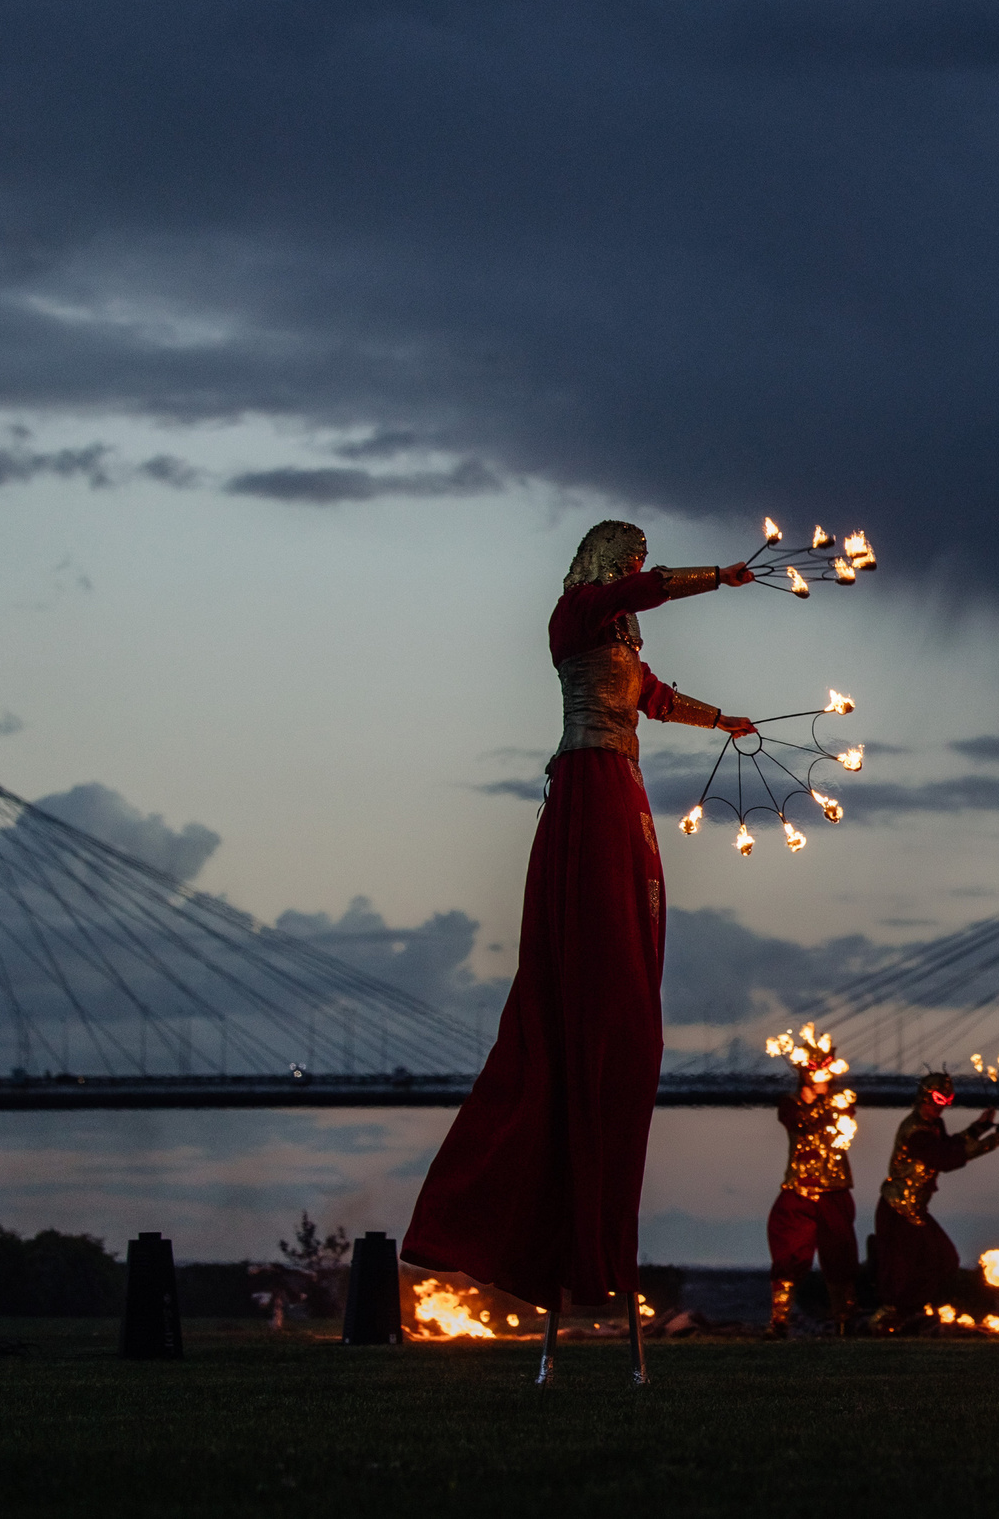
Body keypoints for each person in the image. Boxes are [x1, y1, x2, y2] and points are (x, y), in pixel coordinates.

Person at [403, 520, 754, 1385]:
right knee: (590, 988)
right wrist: (720, 576)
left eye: (642, 558)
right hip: (589, 795)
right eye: (630, 555)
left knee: (631, 1001)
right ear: (608, 561)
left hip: (624, 797)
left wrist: (728, 722)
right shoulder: (579, 615)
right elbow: (631, 596)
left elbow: (659, 699)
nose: (638, 567)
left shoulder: (623, 642)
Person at [869, 1071, 999, 1332]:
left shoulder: (934, 1126)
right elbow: (945, 1159)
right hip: (897, 1209)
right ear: (924, 1096)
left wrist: (980, 1126)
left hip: (916, 1210)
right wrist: (995, 1139)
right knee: (902, 1269)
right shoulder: (916, 1132)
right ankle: (887, 1319)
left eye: (947, 1100)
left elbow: (950, 1145)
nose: (942, 1106)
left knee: (943, 1259)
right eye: (937, 1099)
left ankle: (912, 1311)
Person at [766, 1036, 860, 1338]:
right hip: (799, 1191)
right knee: (787, 1257)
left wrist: (828, 1102)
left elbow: (844, 1119)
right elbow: (801, 1123)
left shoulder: (842, 1102)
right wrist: (820, 1102)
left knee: (841, 1259)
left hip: (834, 1191)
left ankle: (844, 1321)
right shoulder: (789, 1105)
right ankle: (780, 1321)